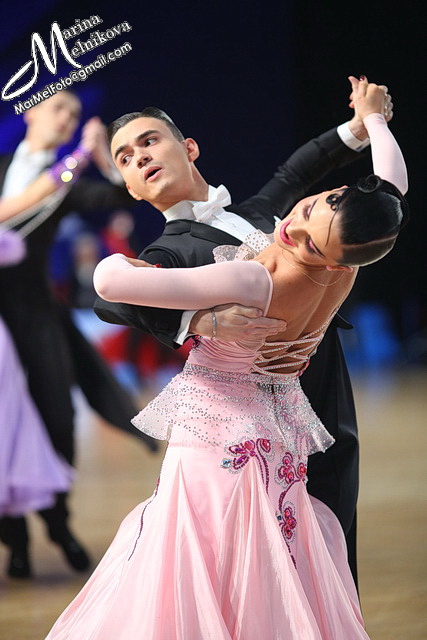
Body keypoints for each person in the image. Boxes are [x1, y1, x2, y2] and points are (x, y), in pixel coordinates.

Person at [44, 77, 408, 639]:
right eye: (125, 159)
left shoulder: (263, 213)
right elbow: (108, 300)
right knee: (239, 539)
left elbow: (299, 172)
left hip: (312, 390)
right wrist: (195, 321)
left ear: (188, 147)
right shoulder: (168, 250)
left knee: (327, 523)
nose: (140, 158)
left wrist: (358, 127)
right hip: (245, 410)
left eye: (149, 141)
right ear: (129, 188)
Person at [0, 91, 158, 580]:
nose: (67, 119)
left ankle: (58, 523)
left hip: (36, 314)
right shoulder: (10, 168)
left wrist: (102, 158)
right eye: (59, 109)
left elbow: (119, 195)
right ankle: (15, 540)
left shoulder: (66, 183)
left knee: (57, 414)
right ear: (30, 111)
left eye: (74, 114)